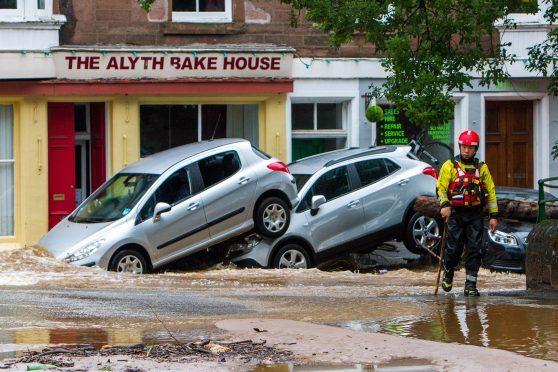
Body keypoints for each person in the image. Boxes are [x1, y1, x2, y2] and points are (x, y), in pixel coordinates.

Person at [436, 130, 498, 297]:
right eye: (464, 147)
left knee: (475, 249)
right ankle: (448, 272)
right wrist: (444, 205)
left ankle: (470, 284)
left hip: (475, 214)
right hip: (455, 213)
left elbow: (491, 192)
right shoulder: (449, 166)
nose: (466, 151)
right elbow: (441, 188)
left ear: (475, 149)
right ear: (459, 146)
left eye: (470, 148)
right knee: (453, 248)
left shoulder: (481, 167)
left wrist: (493, 215)